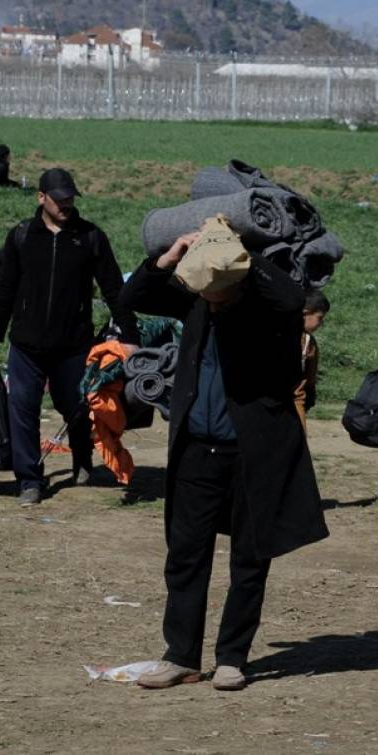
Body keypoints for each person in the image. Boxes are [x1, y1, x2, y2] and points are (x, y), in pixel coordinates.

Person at [118, 231, 329, 691]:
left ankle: (233, 657)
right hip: (197, 450)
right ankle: (181, 657)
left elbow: (293, 297)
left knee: (250, 560)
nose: (210, 302)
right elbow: (132, 294)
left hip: (252, 454)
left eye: (218, 292)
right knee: (186, 556)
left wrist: (239, 257)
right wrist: (172, 256)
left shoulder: (268, 311)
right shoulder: (197, 303)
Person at [0, 168, 139, 505]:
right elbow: (5, 290)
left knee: (75, 408)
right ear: (41, 198)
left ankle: (82, 456)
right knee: (22, 408)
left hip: (73, 345)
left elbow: (114, 289)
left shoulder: (90, 237)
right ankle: (29, 481)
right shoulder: (22, 236)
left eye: (70, 198)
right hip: (25, 344)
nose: (66, 204)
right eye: (59, 199)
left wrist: (130, 335)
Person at [293, 289, 330, 429]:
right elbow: (310, 376)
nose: (321, 323)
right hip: (294, 405)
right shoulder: (307, 342)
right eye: (320, 318)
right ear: (305, 313)